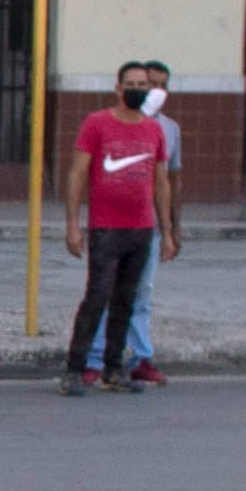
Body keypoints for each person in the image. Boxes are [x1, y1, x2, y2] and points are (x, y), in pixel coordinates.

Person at [61, 58, 175, 398]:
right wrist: (72, 225)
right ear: (118, 87)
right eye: (132, 85)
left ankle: (113, 368)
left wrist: (166, 231)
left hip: (141, 229)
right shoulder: (96, 124)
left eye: (144, 86)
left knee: (126, 299)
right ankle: (74, 369)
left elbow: (161, 182)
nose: (138, 91)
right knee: (97, 296)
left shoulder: (154, 129)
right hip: (105, 229)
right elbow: (77, 174)